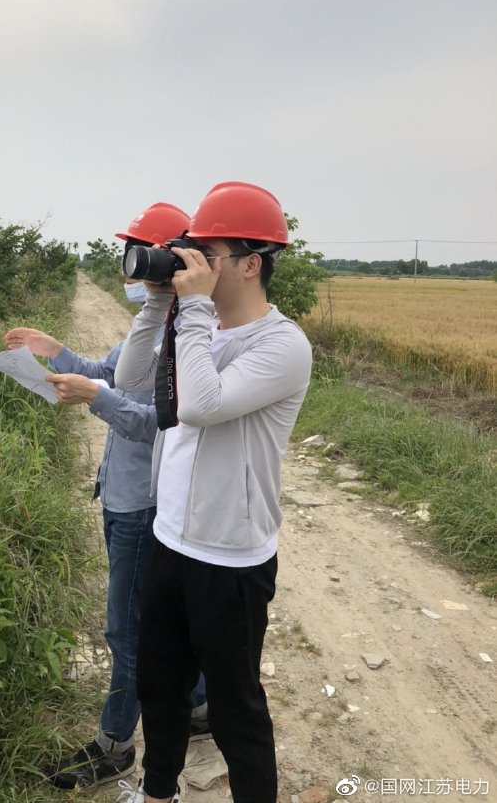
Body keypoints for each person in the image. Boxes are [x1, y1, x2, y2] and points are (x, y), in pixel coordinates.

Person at [113, 182, 313, 803]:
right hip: (169, 537)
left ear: (252, 263)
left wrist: (194, 309)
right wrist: (158, 303)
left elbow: (200, 404)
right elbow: (129, 377)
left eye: (209, 252)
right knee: (159, 687)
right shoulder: (193, 324)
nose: (193, 262)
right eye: (189, 250)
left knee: (234, 710)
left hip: (229, 557)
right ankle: (159, 794)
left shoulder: (283, 345)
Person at [5, 202, 208, 791]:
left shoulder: (187, 336)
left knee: (127, 631)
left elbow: (157, 423)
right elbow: (109, 373)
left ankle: (115, 745)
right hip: (121, 495)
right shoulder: (151, 323)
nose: (131, 269)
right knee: (165, 620)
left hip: (143, 506)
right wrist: (56, 351)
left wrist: (93, 396)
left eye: (140, 256)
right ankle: (200, 708)